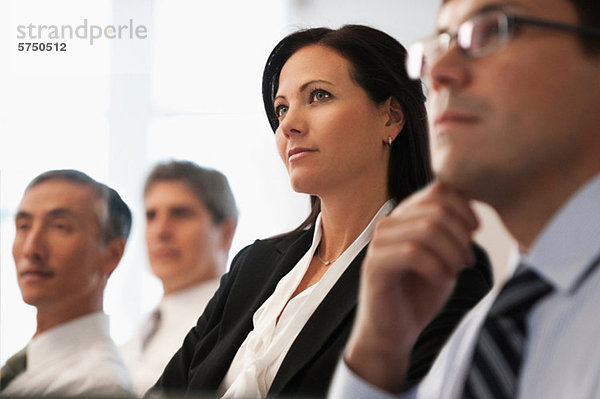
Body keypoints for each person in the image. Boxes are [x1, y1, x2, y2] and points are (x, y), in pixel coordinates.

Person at [149, 25, 492, 399]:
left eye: (318, 96)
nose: (289, 125)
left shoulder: (436, 267)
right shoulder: (253, 265)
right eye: (282, 108)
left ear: (391, 116)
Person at [329, 0, 600, 398]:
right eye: (440, 45)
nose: (438, 73)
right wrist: (377, 351)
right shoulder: (482, 335)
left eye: (489, 30)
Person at [0, 170, 133, 396]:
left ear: (111, 254)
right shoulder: (31, 363)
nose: (31, 249)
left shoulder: (95, 386)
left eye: (60, 227)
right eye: (23, 226)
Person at [121, 160, 238, 395]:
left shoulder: (233, 328)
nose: (160, 231)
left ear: (225, 233)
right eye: (151, 216)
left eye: (180, 214)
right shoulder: (135, 338)